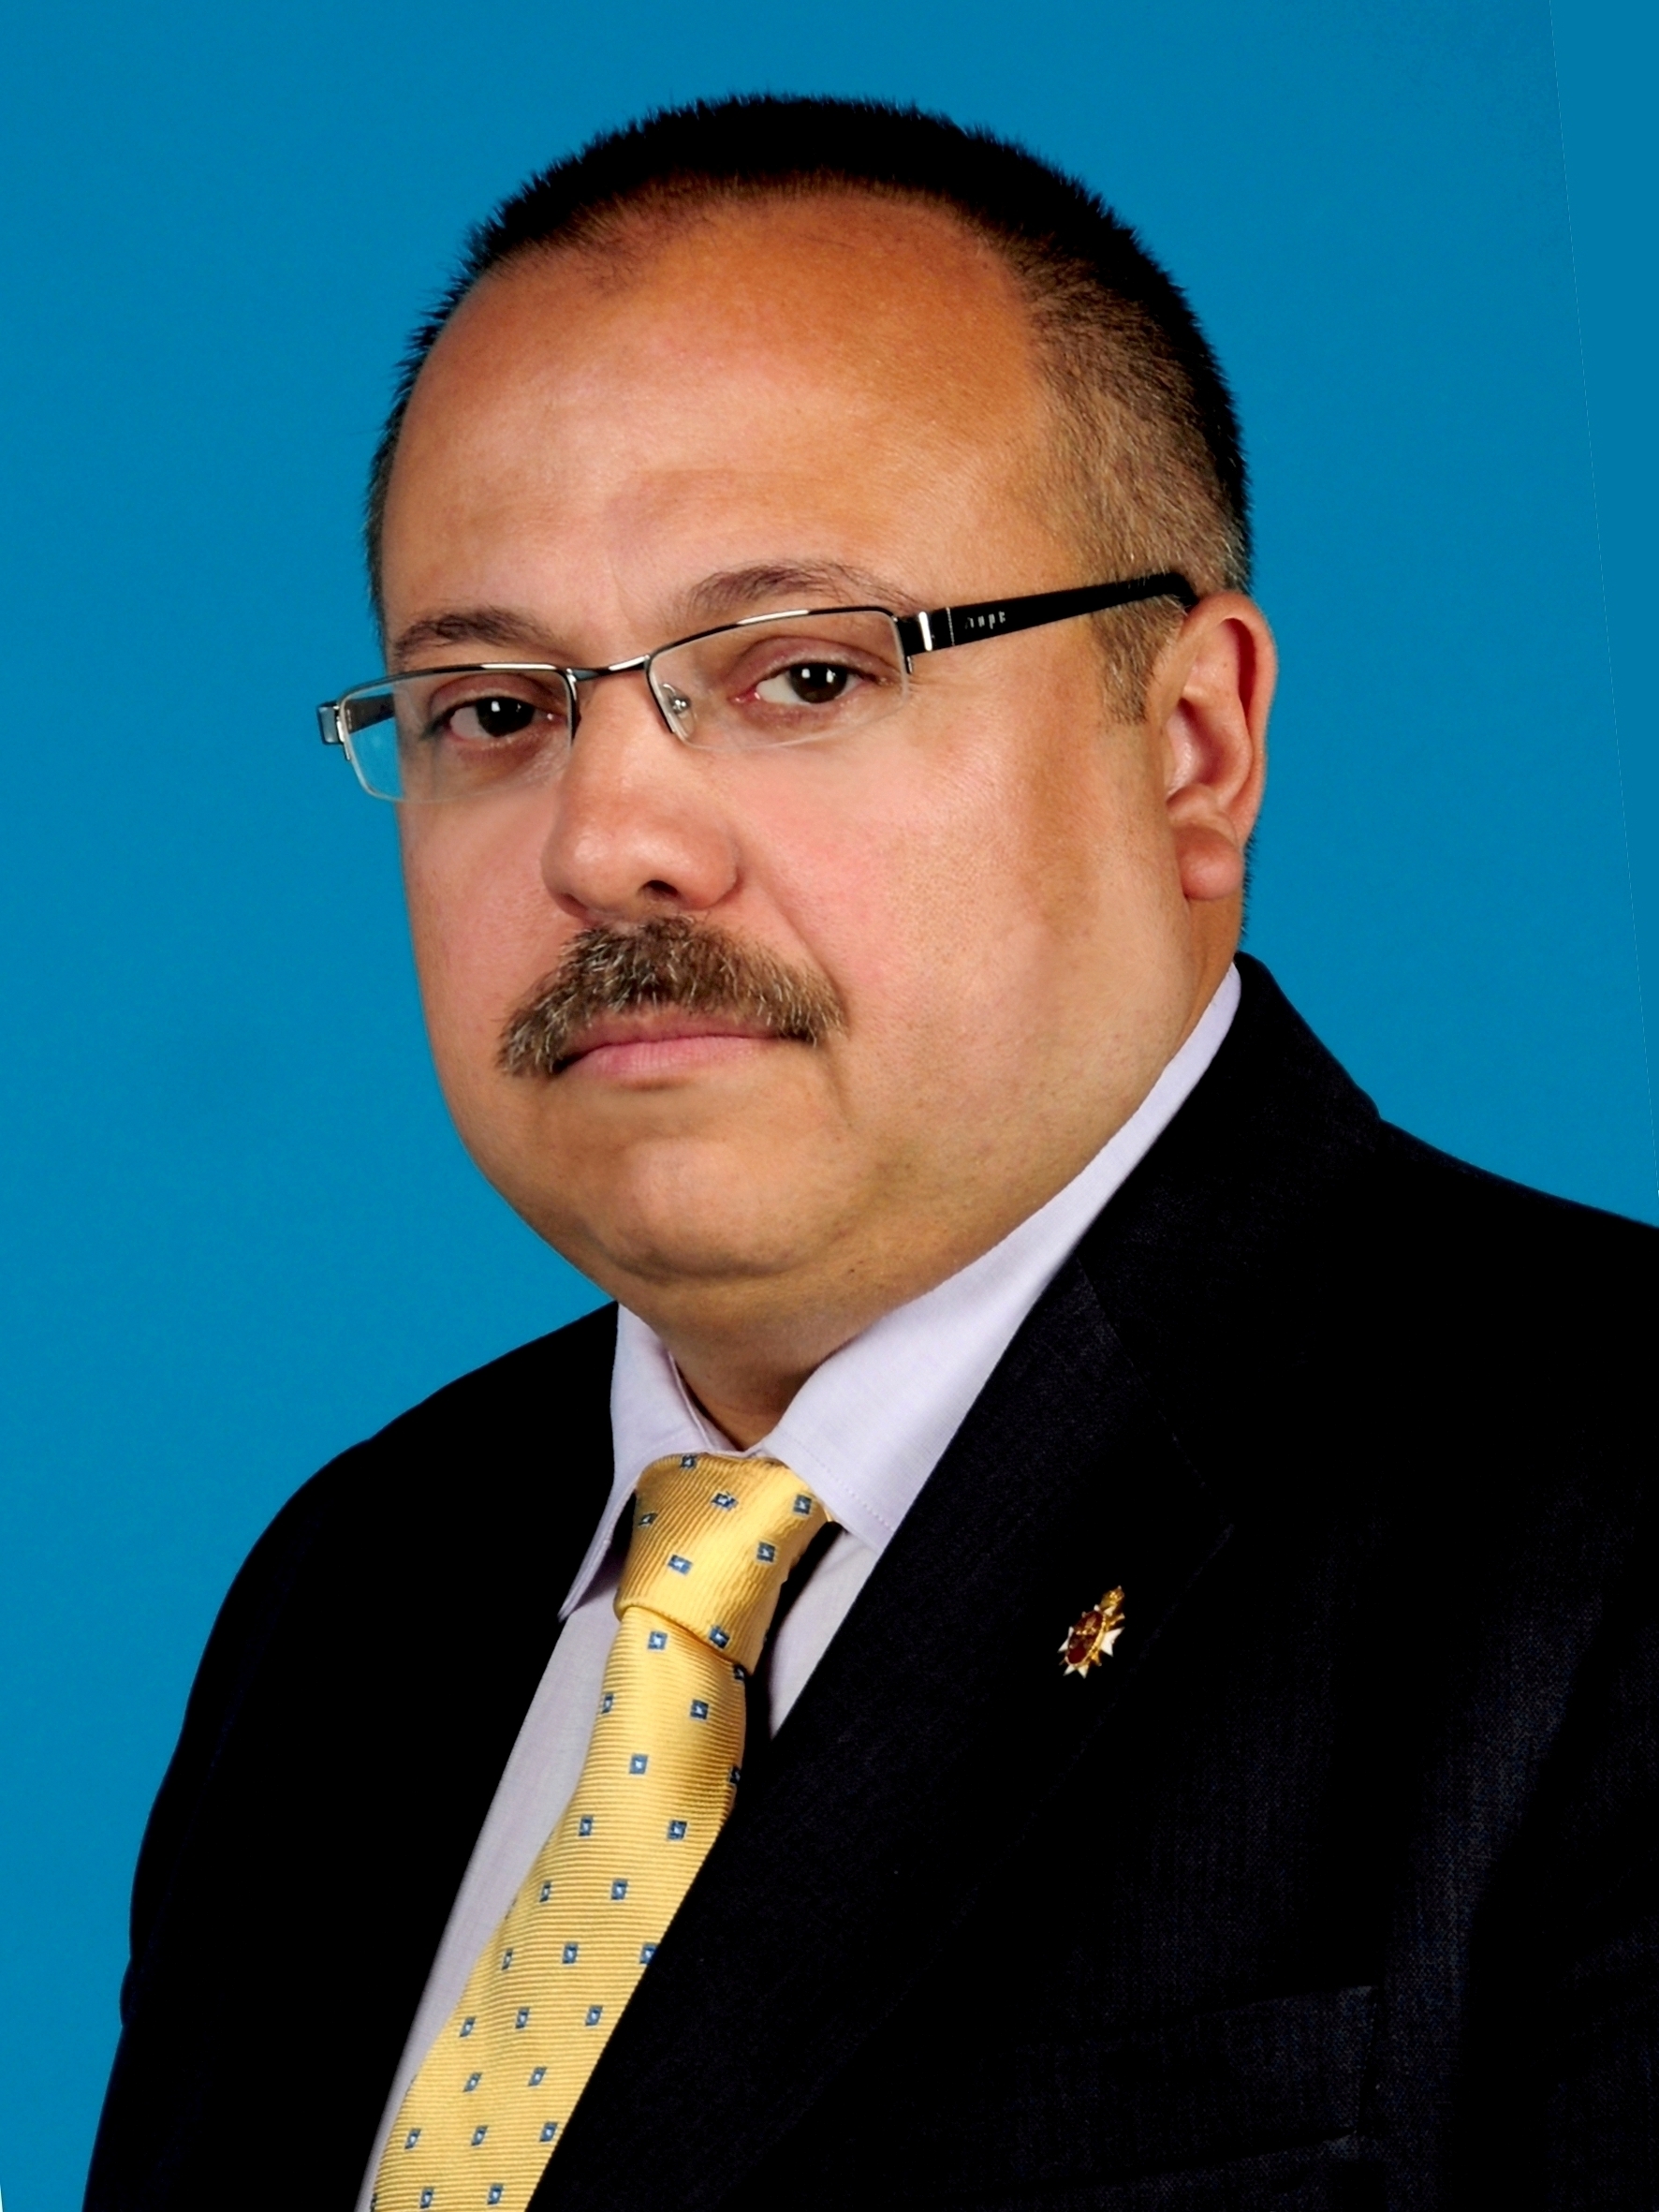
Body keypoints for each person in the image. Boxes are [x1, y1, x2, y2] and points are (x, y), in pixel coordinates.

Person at [86, 96, 1656, 2212]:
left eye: (805, 673)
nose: (606, 838)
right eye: (493, 711)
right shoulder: (354, 1600)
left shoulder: (1597, 1520)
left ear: (1193, 746)